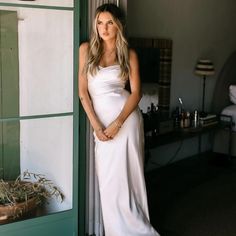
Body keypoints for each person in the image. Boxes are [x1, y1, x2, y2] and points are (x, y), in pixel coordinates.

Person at [78, 3, 160, 236]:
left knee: (129, 178)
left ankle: (138, 228)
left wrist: (118, 123)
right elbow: (83, 93)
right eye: (100, 23)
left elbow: (136, 93)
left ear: (119, 25)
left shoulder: (129, 53)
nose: (103, 28)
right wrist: (96, 126)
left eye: (109, 23)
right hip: (101, 125)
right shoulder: (86, 50)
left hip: (127, 122)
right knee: (109, 181)